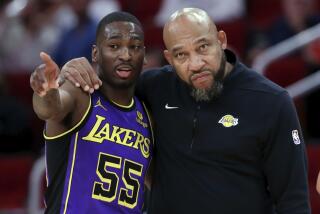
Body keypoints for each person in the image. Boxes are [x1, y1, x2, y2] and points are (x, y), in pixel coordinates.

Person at [60, 8, 310, 214]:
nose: (196, 63)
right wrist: (71, 71)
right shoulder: (154, 87)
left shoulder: (271, 102)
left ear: (221, 41)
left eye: (203, 48)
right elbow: (93, 89)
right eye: (181, 55)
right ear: (169, 58)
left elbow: (293, 201)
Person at [30, 11, 153, 214]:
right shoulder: (81, 94)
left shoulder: (147, 116)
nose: (126, 55)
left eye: (135, 47)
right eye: (114, 46)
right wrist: (45, 90)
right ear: (95, 53)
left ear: (145, 56)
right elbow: (50, 109)